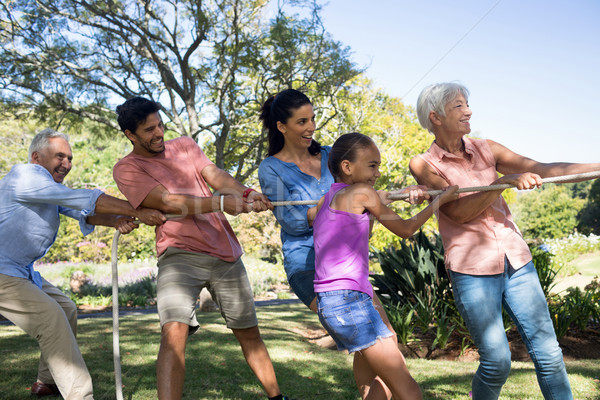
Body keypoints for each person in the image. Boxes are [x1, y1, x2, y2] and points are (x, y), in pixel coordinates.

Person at [409, 82, 600, 400]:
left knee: (550, 354)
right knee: (497, 362)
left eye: (467, 103)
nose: (468, 110)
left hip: (516, 259)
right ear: (436, 116)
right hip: (472, 271)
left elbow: (544, 169)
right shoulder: (424, 164)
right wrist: (502, 182)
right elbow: (458, 212)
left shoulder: (487, 148)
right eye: (459, 105)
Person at [112, 96, 292, 400]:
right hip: (179, 254)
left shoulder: (183, 145)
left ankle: (278, 398)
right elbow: (168, 202)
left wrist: (248, 194)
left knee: (248, 331)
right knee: (174, 333)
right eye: (148, 130)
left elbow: (215, 175)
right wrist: (222, 202)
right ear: (130, 134)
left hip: (224, 250)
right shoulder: (127, 168)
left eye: (160, 125)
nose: (159, 134)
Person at [259, 89, 412, 399]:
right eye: (302, 121)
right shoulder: (270, 168)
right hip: (308, 268)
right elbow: (291, 221)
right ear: (281, 127)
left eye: (313, 118)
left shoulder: (333, 156)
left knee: (384, 339)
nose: (311, 127)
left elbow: (360, 211)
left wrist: (374, 203)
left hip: (349, 269)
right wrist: (333, 207)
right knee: (369, 343)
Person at [0, 129, 166, 399]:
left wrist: (114, 220)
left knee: (65, 308)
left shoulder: (47, 188)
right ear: (36, 157)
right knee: (51, 317)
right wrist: (136, 209)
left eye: (70, 158)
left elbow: (82, 211)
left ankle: (46, 382)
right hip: (2, 271)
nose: (66, 164)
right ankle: (81, 395)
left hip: (20, 271)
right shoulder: (25, 177)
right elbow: (84, 199)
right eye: (59, 156)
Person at [312, 132, 458, 400]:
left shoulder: (326, 200)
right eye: (372, 165)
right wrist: (440, 201)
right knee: (409, 390)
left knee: (379, 388)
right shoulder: (362, 193)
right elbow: (405, 229)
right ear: (347, 167)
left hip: (331, 303)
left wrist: (383, 203)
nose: (378, 173)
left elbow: (358, 233)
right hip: (350, 300)